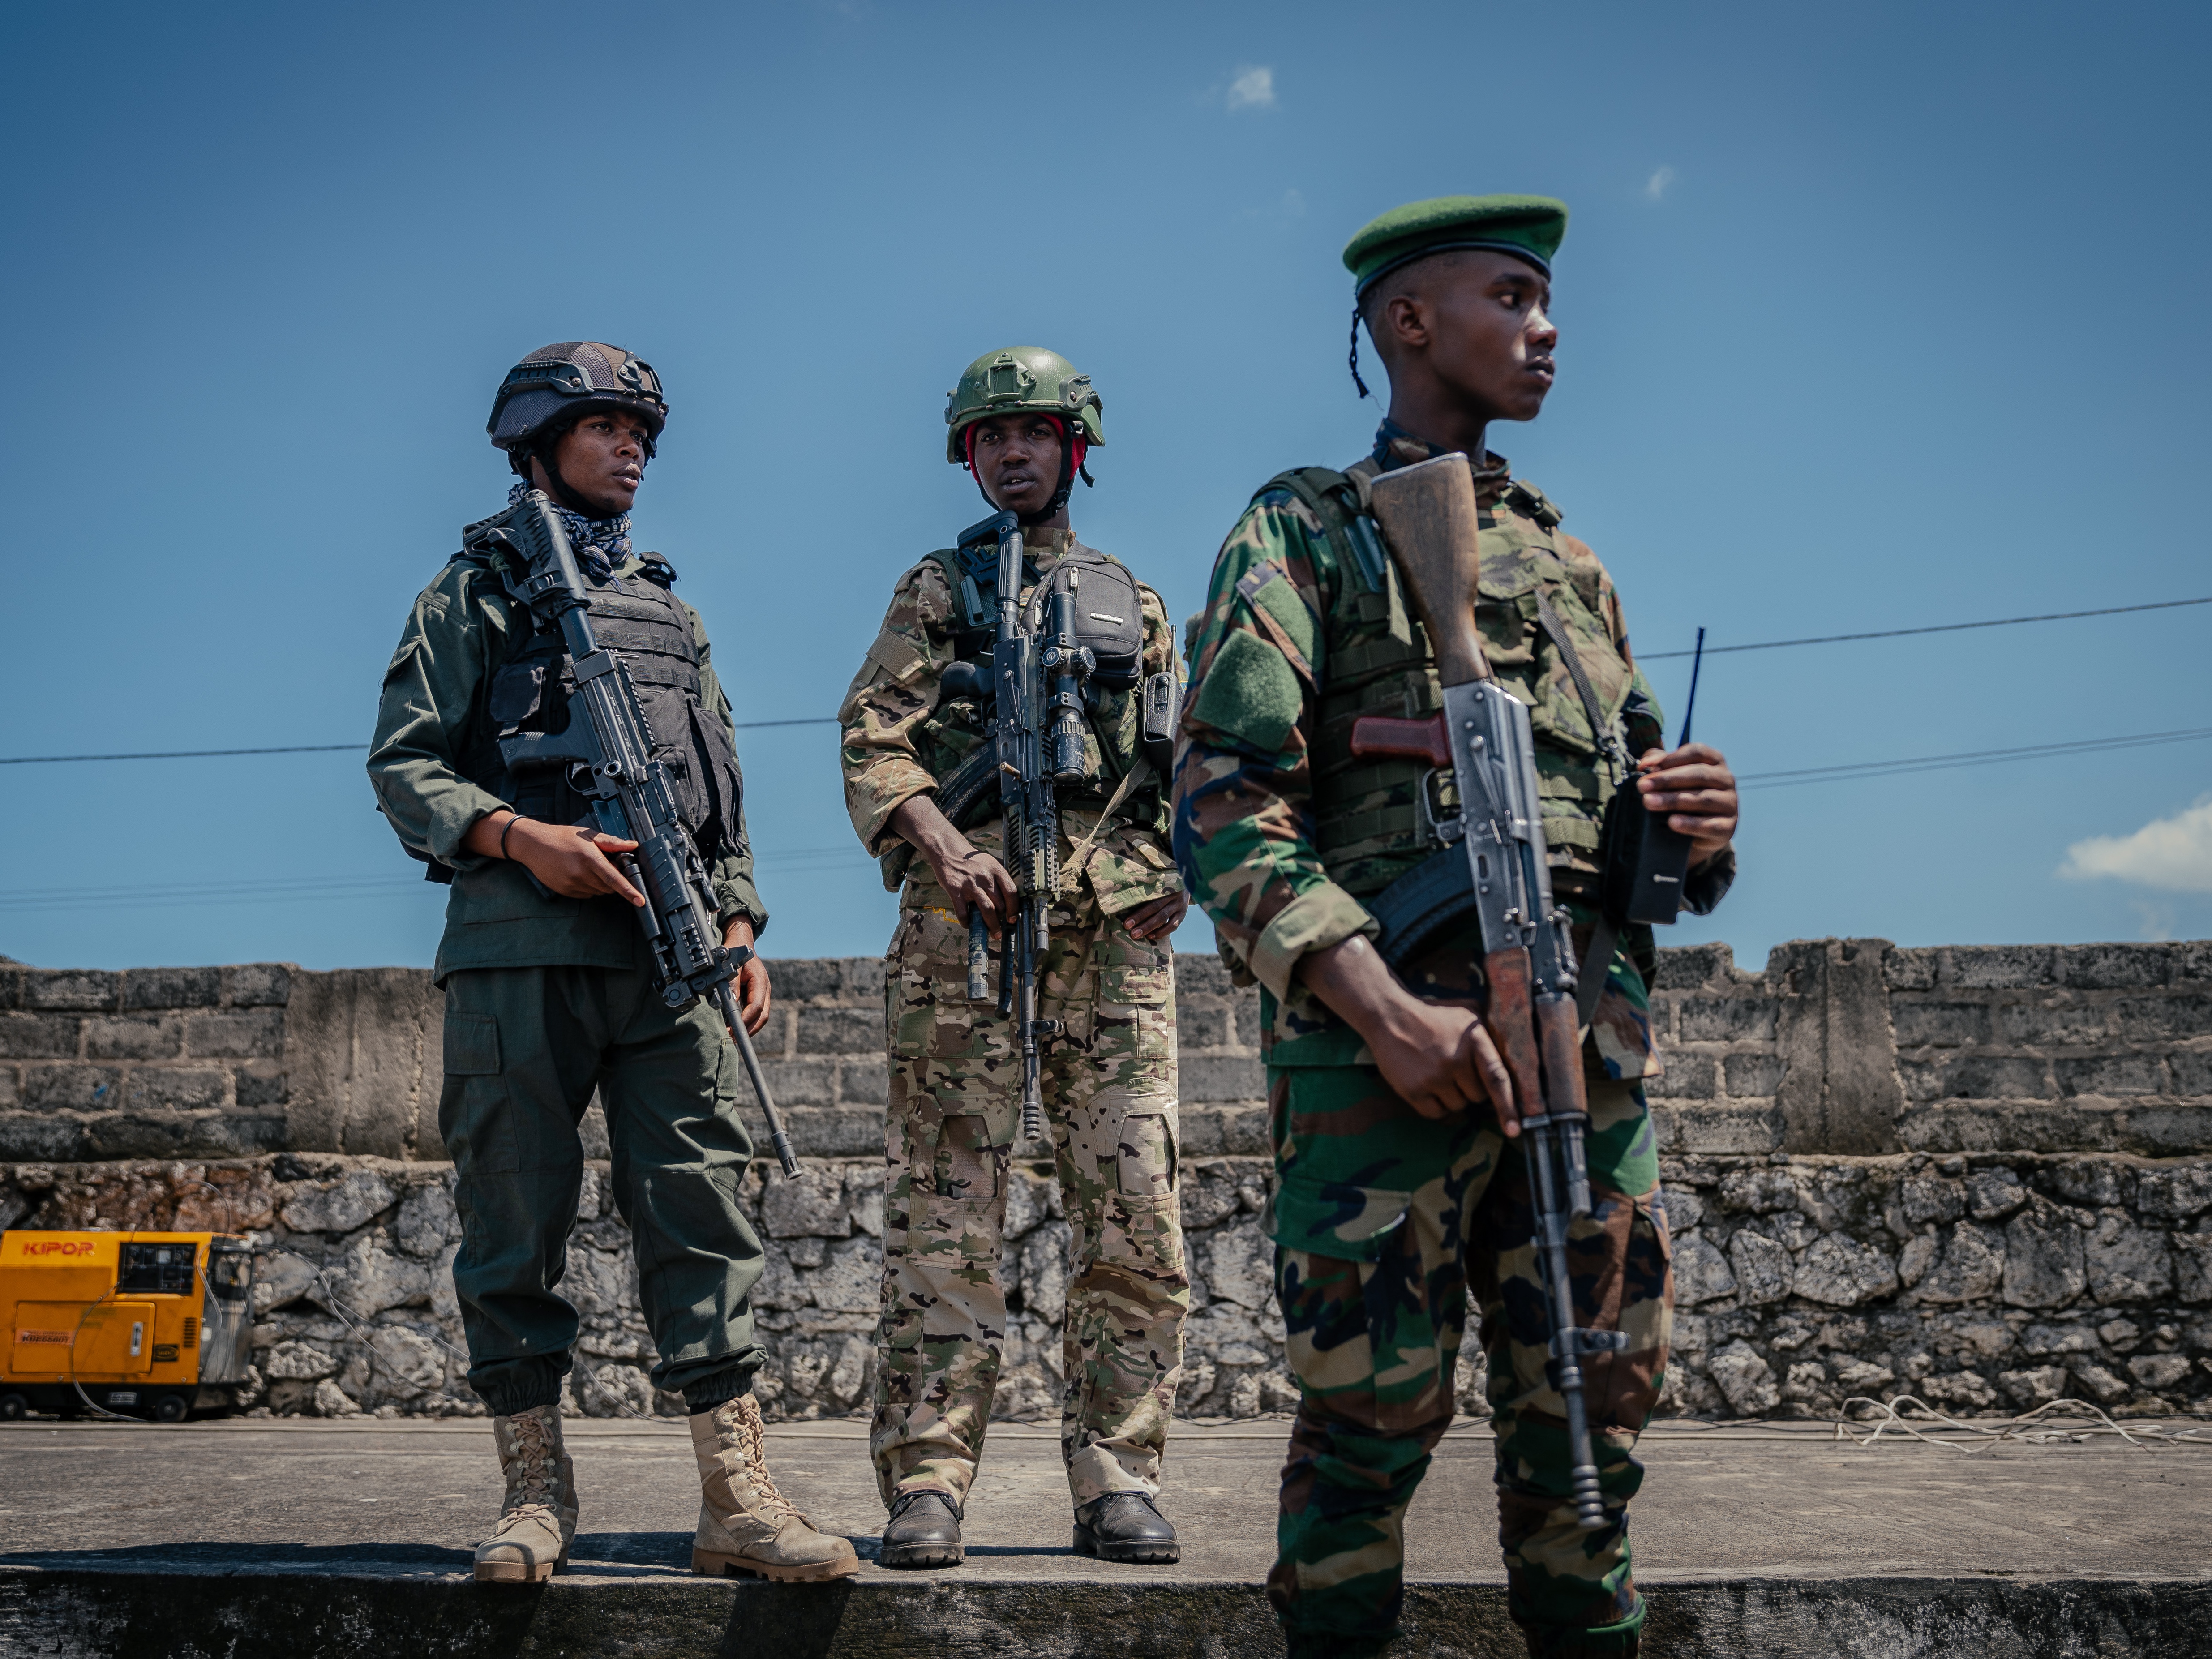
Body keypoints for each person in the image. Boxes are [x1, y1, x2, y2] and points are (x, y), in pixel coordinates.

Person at [1173, 198, 1741, 1658]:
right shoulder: (1307, 528)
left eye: (1546, 299)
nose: (1545, 327)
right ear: (1406, 322)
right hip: (1387, 1062)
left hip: (1581, 1049)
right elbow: (1226, 798)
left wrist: (1688, 829)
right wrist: (1381, 1011)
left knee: (1590, 1420)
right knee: (1368, 1422)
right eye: (1511, 295)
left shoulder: (1568, 563)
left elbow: (1619, 836)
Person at [368, 341, 858, 1586]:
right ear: (536, 442)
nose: (632, 444)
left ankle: (734, 1498)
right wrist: (520, 837)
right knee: (512, 1213)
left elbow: (719, 788)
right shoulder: (471, 592)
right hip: (519, 952)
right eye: (603, 424)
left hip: (669, 953)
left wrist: (739, 925)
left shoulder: (666, 608)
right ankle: (533, 1496)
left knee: (703, 1207)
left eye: (642, 428)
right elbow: (406, 763)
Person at [838, 346, 1192, 1569]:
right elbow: (871, 741)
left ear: (1073, 446)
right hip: (962, 942)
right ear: (968, 456)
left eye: (1032, 433)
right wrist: (939, 843)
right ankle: (929, 1481)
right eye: (989, 438)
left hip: (1108, 949)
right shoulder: (935, 591)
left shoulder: (1129, 601)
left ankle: (1117, 1473)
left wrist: (1174, 874)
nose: (1011, 454)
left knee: (1135, 1220)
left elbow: (1182, 770)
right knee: (945, 1222)